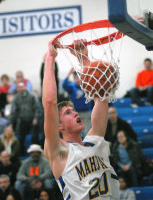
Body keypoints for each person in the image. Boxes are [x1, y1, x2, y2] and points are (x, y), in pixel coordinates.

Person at [42, 39, 119, 199]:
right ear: (58, 126)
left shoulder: (95, 141)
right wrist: (50, 58)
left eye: (74, 110)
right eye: (68, 113)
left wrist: (83, 58)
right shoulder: (59, 151)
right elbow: (49, 102)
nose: (76, 113)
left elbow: (101, 95)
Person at [10, 82, 41, 155]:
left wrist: (35, 118)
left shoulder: (31, 96)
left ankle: (36, 152)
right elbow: (14, 110)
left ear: (25, 87)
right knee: (20, 138)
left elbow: (37, 108)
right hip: (21, 120)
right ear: (17, 89)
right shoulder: (16, 98)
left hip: (32, 119)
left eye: (22, 87)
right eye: (19, 87)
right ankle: (21, 154)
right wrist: (11, 122)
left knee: (34, 137)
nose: (20, 88)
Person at [62, 68, 92, 136]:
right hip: (75, 113)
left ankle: (87, 145)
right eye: (75, 78)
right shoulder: (72, 87)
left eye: (78, 78)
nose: (77, 80)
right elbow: (63, 85)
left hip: (86, 112)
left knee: (88, 132)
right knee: (76, 132)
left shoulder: (86, 85)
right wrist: (69, 73)